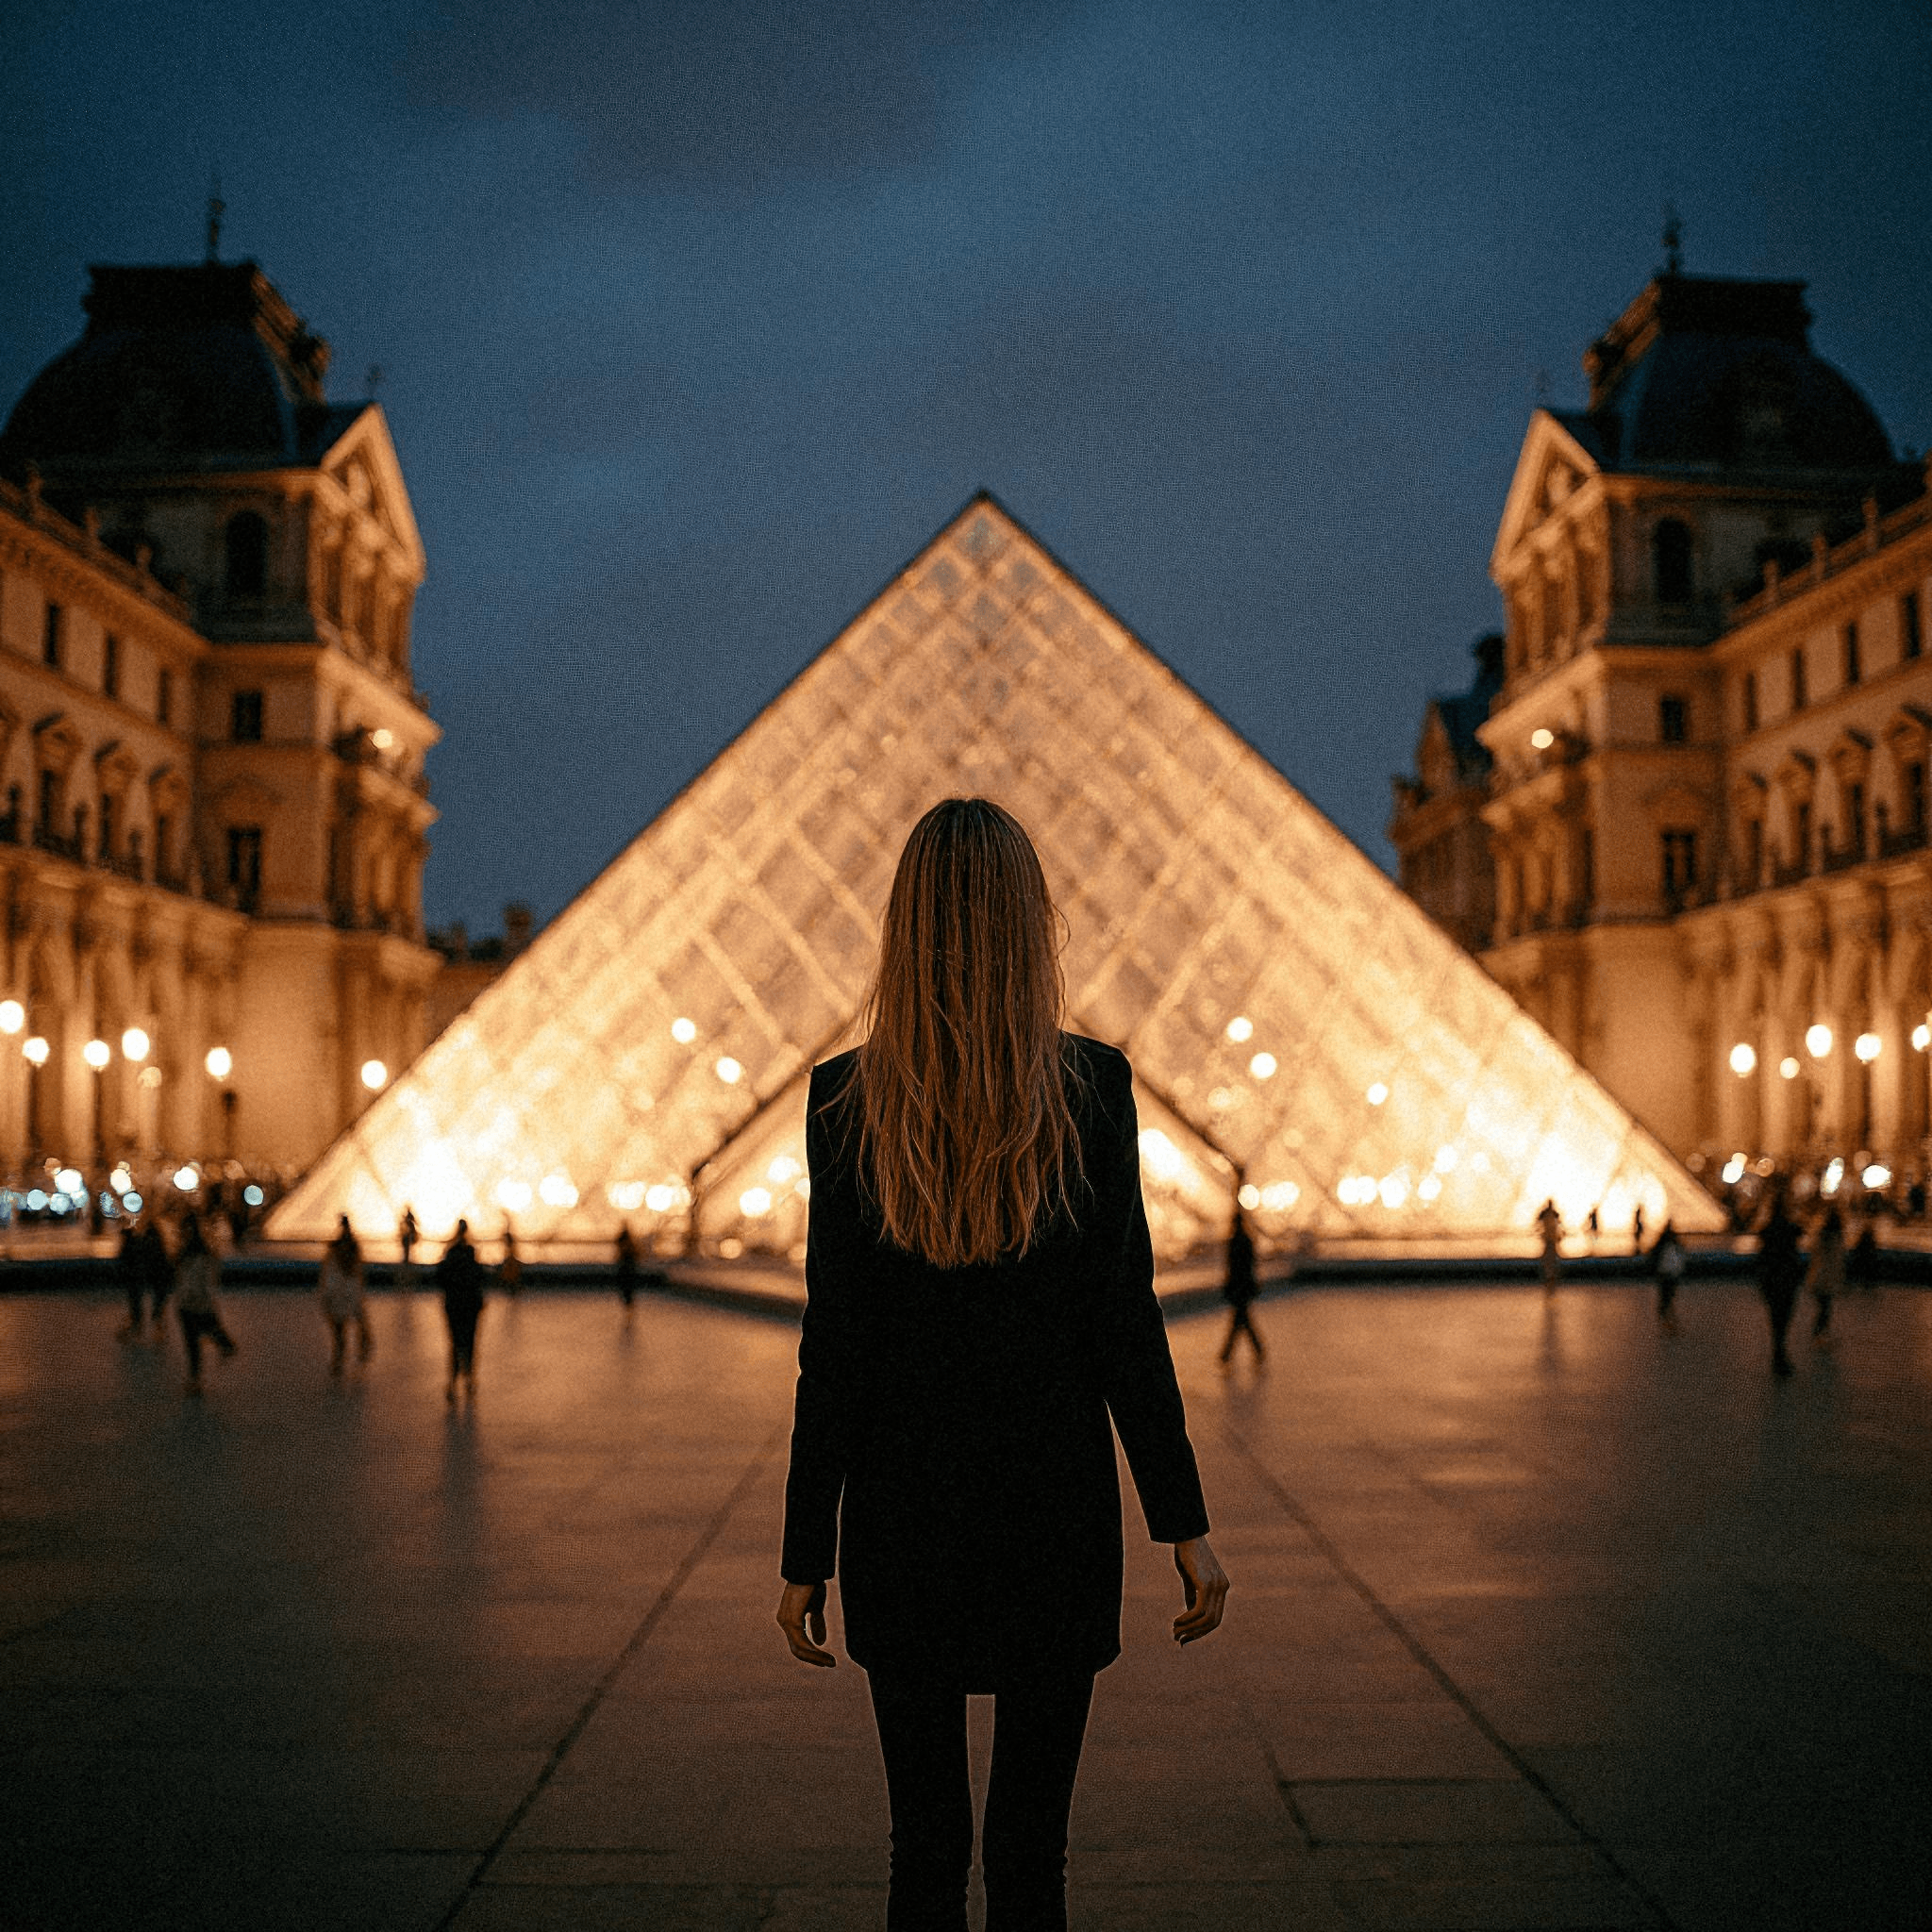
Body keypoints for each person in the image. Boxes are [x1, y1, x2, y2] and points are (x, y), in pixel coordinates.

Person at [776, 798, 1227, 1932]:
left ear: (902, 926)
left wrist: (804, 1554)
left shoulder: (842, 1099)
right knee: (1032, 1853)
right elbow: (1124, 1325)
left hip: (900, 1520)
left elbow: (833, 1350)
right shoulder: (1093, 1087)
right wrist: (1181, 1522)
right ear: (1031, 926)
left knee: (922, 1849)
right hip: (1052, 1517)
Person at [173, 1210, 237, 1394]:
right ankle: (195, 1380)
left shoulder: (194, 1254)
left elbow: (205, 1281)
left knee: (195, 1341)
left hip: (192, 1303)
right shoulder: (198, 1253)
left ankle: (195, 1379)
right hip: (192, 1303)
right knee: (195, 1340)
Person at [1756, 1188, 1806, 1378]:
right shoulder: (1792, 1230)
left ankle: (1778, 1354)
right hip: (1788, 1281)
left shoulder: (1767, 1231)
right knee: (1784, 1320)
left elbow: (1761, 1259)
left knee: (1775, 1320)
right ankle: (1780, 1355)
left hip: (1772, 1282)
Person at [435, 1219, 486, 1405]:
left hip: (454, 1306)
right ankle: (469, 1380)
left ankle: (452, 1383)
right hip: (470, 1307)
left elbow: (440, 1277)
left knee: (455, 1344)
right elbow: (479, 1278)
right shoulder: (471, 1254)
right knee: (469, 1343)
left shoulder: (450, 1254)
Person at [319, 1215, 372, 1373]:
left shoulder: (334, 1254)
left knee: (339, 1332)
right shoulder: (352, 1253)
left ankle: (339, 1360)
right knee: (356, 1324)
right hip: (349, 1294)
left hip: (339, 1296)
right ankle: (360, 1351)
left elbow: (329, 1279)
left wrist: (326, 1297)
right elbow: (358, 1277)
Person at [1217, 1200, 1265, 1364]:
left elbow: (1231, 1266)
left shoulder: (1234, 1242)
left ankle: (1227, 1354)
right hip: (1245, 1284)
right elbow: (1251, 1264)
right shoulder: (1247, 1240)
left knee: (1240, 1319)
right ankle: (1233, 1353)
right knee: (1241, 1319)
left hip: (1237, 1285)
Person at [1807, 1204, 1846, 1342]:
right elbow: (1838, 1260)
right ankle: (1820, 1334)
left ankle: (1820, 1333)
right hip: (1828, 1279)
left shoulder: (1821, 1235)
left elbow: (1813, 1252)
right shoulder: (1838, 1238)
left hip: (1818, 1276)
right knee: (1825, 1308)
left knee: (1824, 1307)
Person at [1650, 1217, 1685, 1327]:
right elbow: (1680, 1255)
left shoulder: (1663, 1242)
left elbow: (1654, 1254)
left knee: (1666, 1296)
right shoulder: (1674, 1242)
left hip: (1665, 1273)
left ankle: (1665, 1317)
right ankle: (1668, 1317)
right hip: (1671, 1273)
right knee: (1668, 1296)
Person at [1536, 1198, 1562, 1295]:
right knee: (1551, 1256)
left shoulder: (1545, 1213)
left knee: (1548, 1256)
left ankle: (1548, 1275)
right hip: (1551, 1238)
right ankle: (1551, 1275)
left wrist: (1539, 1231)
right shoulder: (1554, 1213)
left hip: (1549, 1237)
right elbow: (1558, 1222)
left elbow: (1538, 1220)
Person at [1849, 1217, 1880, 1291]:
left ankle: (1865, 1284)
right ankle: (1868, 1284)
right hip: (1868, 1260)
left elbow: (1858, 1249)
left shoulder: (1863, 1241)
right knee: (1867, 1273)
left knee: (1863, 1273)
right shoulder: (1871, 1242)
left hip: (1863, 1260)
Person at [614, 1223, 640, 1308]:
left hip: (624, 1264)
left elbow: (618, 1244)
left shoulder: (623, 1239)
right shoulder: (630, 1240)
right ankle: (628, 1300)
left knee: (624, 1283)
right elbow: (636, 1253)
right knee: (628, 1284)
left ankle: (627, 1299)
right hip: (629, 1264)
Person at [398, 1205, 421, 1288]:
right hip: (408, 1236)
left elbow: (415, 1223)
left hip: (409, 1236)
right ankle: (406, 1261)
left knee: (407, 1250)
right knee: (407, 1250)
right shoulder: (408, 1218)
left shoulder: (409, 1218)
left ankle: (406, 1261)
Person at [498, 1224, 523, 1298]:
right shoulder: (511, 1248)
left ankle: (512, 1289)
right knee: (511, 1278)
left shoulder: (510, 1249)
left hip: (510, 1264)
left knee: (510, 1277)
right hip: (511, 1264)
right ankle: (513, 1290)